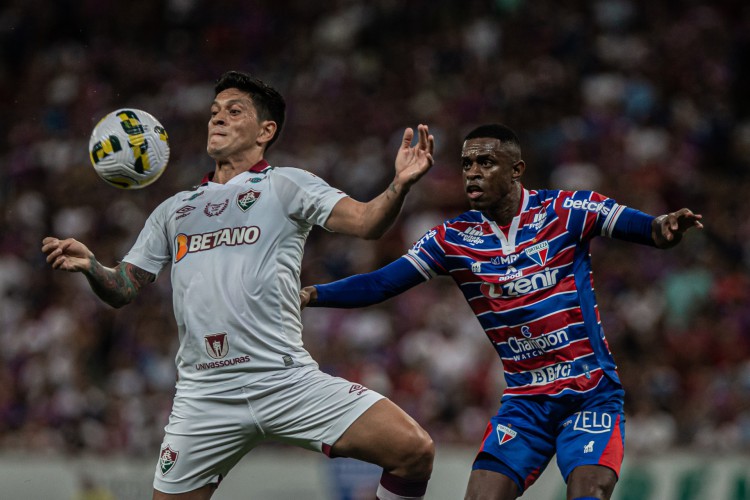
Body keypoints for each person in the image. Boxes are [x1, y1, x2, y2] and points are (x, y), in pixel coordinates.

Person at [42, 70, 437, 500]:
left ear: (265, 131)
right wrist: (91, 266)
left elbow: (366, 223)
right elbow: (122, 288)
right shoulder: (174, 210)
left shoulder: (287, 185)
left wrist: (398, 185)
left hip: (283, 379)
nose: (218, 119)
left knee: (414, 450)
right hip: (204, 396)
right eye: (214, 112)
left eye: (234, 111)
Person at [300, 123, 704, 500]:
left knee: (589, 493)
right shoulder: (452, 239)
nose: (472, 173)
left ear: (517, 169)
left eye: (486, 162)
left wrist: (664, 227)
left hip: (588, 396)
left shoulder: (568, 209)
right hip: (525, 403)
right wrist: (311, 294)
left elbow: (649, 229)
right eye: (466, 164)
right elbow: (380, 283)